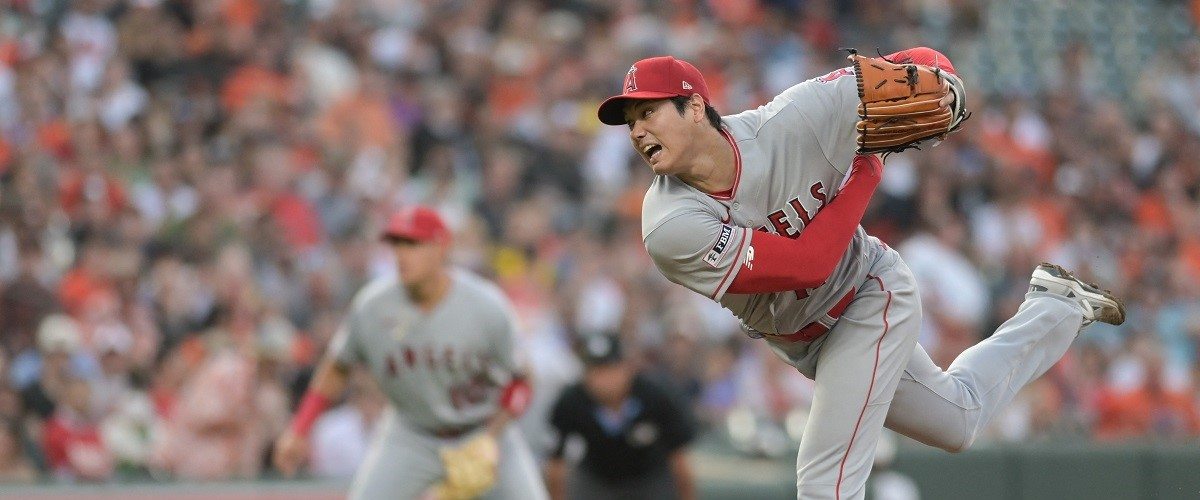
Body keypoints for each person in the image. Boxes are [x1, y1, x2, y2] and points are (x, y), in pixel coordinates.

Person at [595, 49, 1125, 500]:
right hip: (808, 341)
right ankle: (1056, 306)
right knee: (957, 420)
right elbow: (805, 265)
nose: (638, 131)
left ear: (693, 105)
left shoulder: (793, 120)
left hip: (869, 294)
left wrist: (945, 84)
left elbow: (913, 65)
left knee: (824, 479)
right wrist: (868, 169)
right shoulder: (669, 224)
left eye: (648, 112)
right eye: (630, 122)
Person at [273, 206, 547, 500]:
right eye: (397, 244)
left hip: (482, 429)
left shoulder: (486, 305)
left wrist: (489, 438)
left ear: (441, 247)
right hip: (412, 434)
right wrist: (300, 427)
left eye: (413, 244)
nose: (402, 254)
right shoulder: (374, 306)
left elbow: (522, 382)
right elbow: (338, 367)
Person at [545, 334, 696, 500]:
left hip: (649, 478)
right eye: (594, 371)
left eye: (609, 369)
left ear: (627, 368)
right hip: (597, 478)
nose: (602, 380)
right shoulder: (572, 402)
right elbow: (556, 465)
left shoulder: (654, 396)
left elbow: (679, 459)